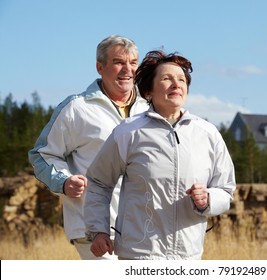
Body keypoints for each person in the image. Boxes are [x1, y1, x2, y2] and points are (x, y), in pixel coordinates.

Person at [83, 50, 236, 260]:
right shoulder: (128, 132)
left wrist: (208, 199)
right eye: (167, 78)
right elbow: (99, 182)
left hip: (188, 257)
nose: (176, 84)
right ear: (148, 91)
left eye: (182, 79)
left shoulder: (208, 134)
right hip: (139, 256)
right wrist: (98, 230)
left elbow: (226, 190)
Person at [28, 35, 149, 260]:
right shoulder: (76, 108)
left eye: (133, 62)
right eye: (118, 62)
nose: (127, 69)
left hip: (143, 229)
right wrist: (63, 181)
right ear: (99, 67)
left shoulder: (150, 110)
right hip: (94, 229)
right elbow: (41, 155)